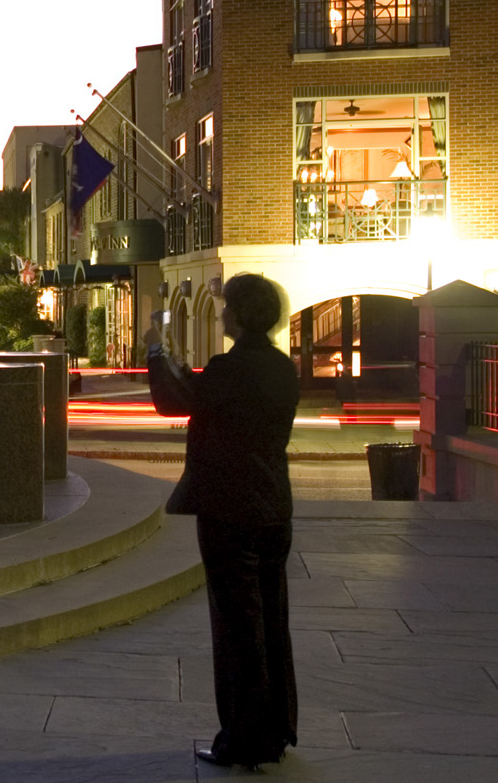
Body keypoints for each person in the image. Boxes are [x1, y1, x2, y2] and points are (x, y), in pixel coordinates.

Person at [144, 273, 299, 770]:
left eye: (227, 306)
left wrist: (154, 350)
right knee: (271, 619)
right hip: (273, 505)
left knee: (236, 626)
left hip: (230, 509)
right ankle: (274, 730)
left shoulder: (231, 368)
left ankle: (242, 739)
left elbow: (177, 398)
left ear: (242, 313)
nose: (222, 313)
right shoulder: (281, 367)